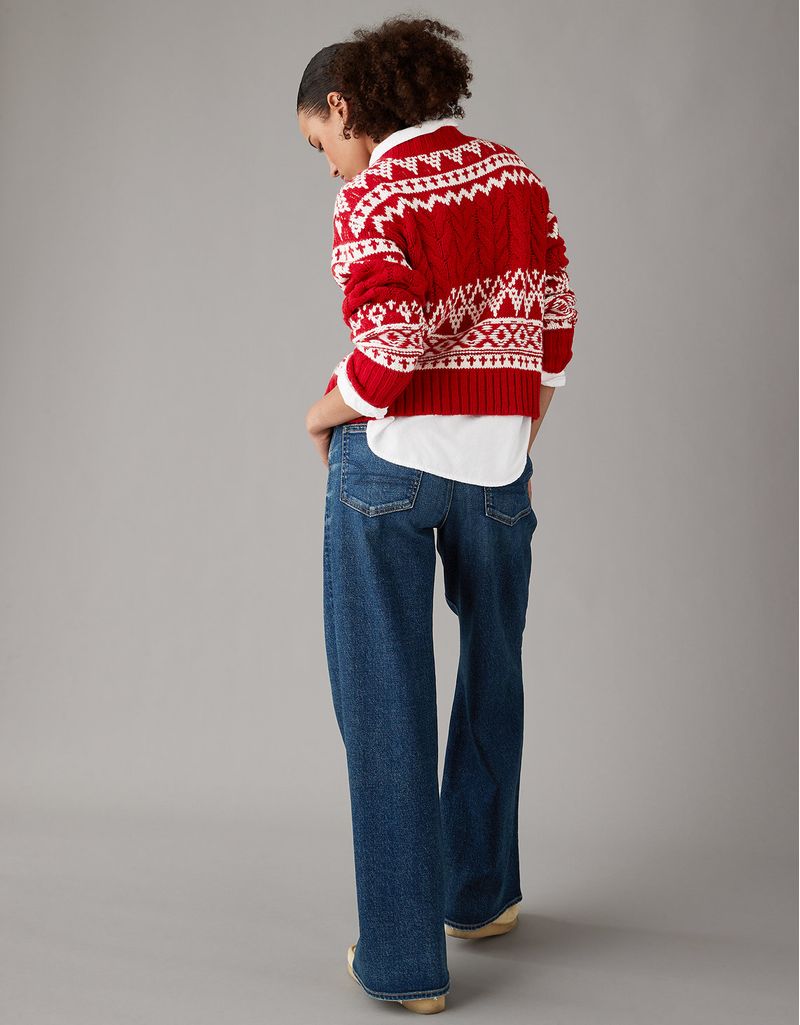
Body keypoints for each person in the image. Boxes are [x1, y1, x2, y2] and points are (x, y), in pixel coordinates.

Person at [296, 15, 577, 1014]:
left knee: (386, 701)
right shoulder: (514, 176)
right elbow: (555, 328)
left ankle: (405, 961)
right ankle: (481, 894)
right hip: (498, 474)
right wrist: (513, 441)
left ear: (344, 108)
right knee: (493, 673)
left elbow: (393, 342)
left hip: (392, 471)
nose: (330, 168)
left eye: (320, 144)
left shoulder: (374, 193)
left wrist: (322, 411)